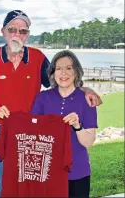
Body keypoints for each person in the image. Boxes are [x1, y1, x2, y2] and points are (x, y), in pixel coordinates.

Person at [0, 10, 102, 197]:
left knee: (29, 189)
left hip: (30, 139)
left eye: (23, 31)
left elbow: (61, 80)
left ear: (28, 35)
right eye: (12, 29)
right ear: (3, 31)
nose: (17, 34)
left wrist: (85, 89)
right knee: (1, 190)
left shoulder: (38, 57)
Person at [30, 50, 97, 198]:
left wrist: (77, 126)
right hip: (48, 172)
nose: (63, 73)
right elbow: (31, 133)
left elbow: (88, 142)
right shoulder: (42, 98)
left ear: (76, 71)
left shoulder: (86, 100)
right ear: (53, 73)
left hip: (78, 172)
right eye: (58, 68)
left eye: (68, 68)